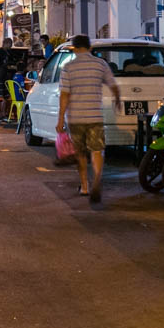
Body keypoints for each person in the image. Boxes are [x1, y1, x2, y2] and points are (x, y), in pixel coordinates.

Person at [57, 35, 122, 203]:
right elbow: (113, 85)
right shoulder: (100, 64)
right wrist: (117, 100)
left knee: (80, 153)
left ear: (75, 48)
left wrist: (60, 118)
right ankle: (97, 180)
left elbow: (65, 94)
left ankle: (85, 186)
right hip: (95, 115)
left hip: (76, 117)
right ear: (90, 47)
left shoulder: (68, 67)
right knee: (97, 150)